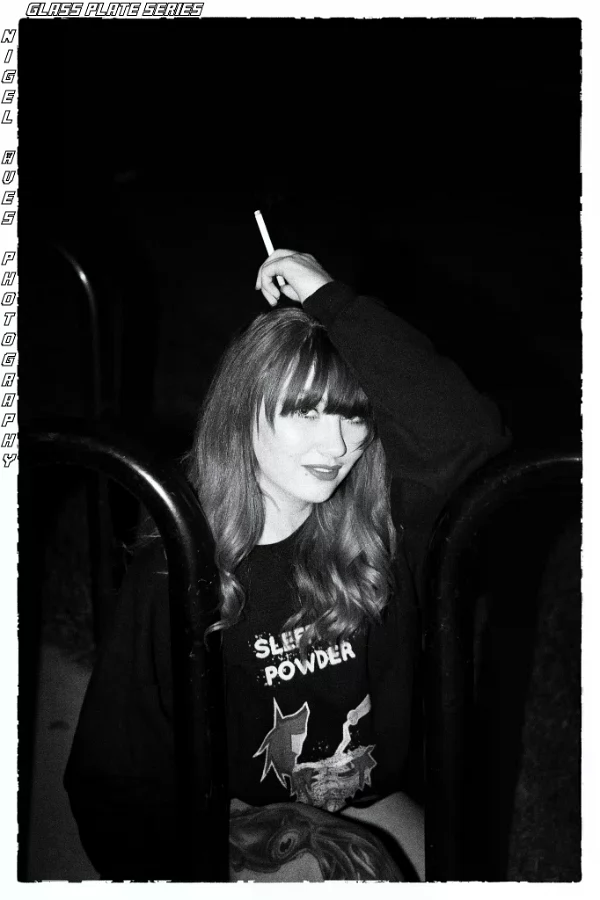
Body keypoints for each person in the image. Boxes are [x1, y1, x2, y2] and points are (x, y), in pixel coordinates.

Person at [64, 249, 510, 881]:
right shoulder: (184, 557)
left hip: (364, 804)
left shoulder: (383, 525)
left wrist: (335, 303)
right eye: (305, 411)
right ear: (243, 413)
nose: (336, 444)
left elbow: (472, 441)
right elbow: (116, 766)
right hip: (231, 819)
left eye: (354, 414)